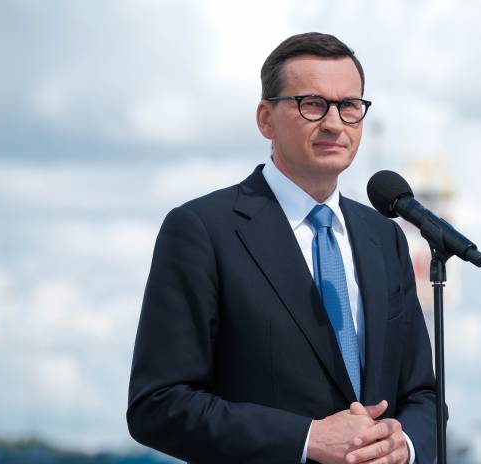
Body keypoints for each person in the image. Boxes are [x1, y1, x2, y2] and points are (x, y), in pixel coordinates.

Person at [127, 32, 437, 464]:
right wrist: (306, 438)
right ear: (266, 119)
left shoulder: (384, 237)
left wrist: (402, 446)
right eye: (312, 104)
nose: (334, 123)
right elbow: (158, 404)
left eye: (349, 106)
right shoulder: (203, 230)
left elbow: (422, 394)